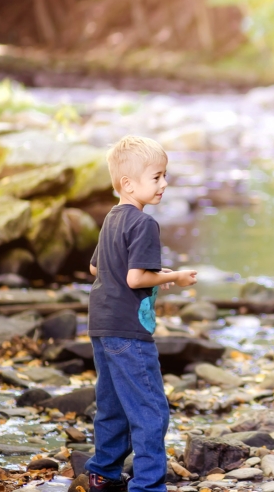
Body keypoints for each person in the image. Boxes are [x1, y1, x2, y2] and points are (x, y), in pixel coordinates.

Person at [85, 135, 198, 492]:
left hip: (101, 325)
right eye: (157, 177)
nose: (164, 184)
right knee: (150, 409)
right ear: (128, 183)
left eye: (165, 176)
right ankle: (148, 486)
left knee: (113, 404)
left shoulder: (111, 219)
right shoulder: (143, 223)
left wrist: (143, 277)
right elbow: (136, 277)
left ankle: (103, 472)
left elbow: (95, 269)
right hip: (128, 332)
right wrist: (174, 277)